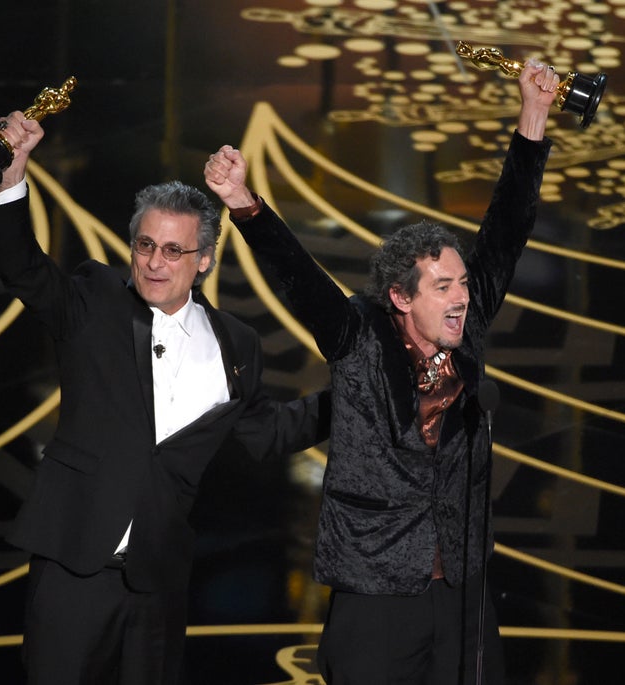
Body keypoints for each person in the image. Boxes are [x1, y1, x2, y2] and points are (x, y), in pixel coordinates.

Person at [204, 60, 560, 684]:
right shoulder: (359, 338)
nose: (460, 297)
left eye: (463, 285)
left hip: (461, 592)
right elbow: (303, 281)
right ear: (402, 297)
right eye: (443, 286)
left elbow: (506, 229)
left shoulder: (466, 334)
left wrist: (533, 115)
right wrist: (246, 206)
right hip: (377, 589)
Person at [0, 111, 330, 685]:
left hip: (158, 579)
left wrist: (357, 396)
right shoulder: (95, 302)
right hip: (75, 565)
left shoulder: (235, 343)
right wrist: (12, 178)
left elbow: (269, 433)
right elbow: (23, 269)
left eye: (173, 251)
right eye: (146, 246)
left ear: (205, 261)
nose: (155, 263)